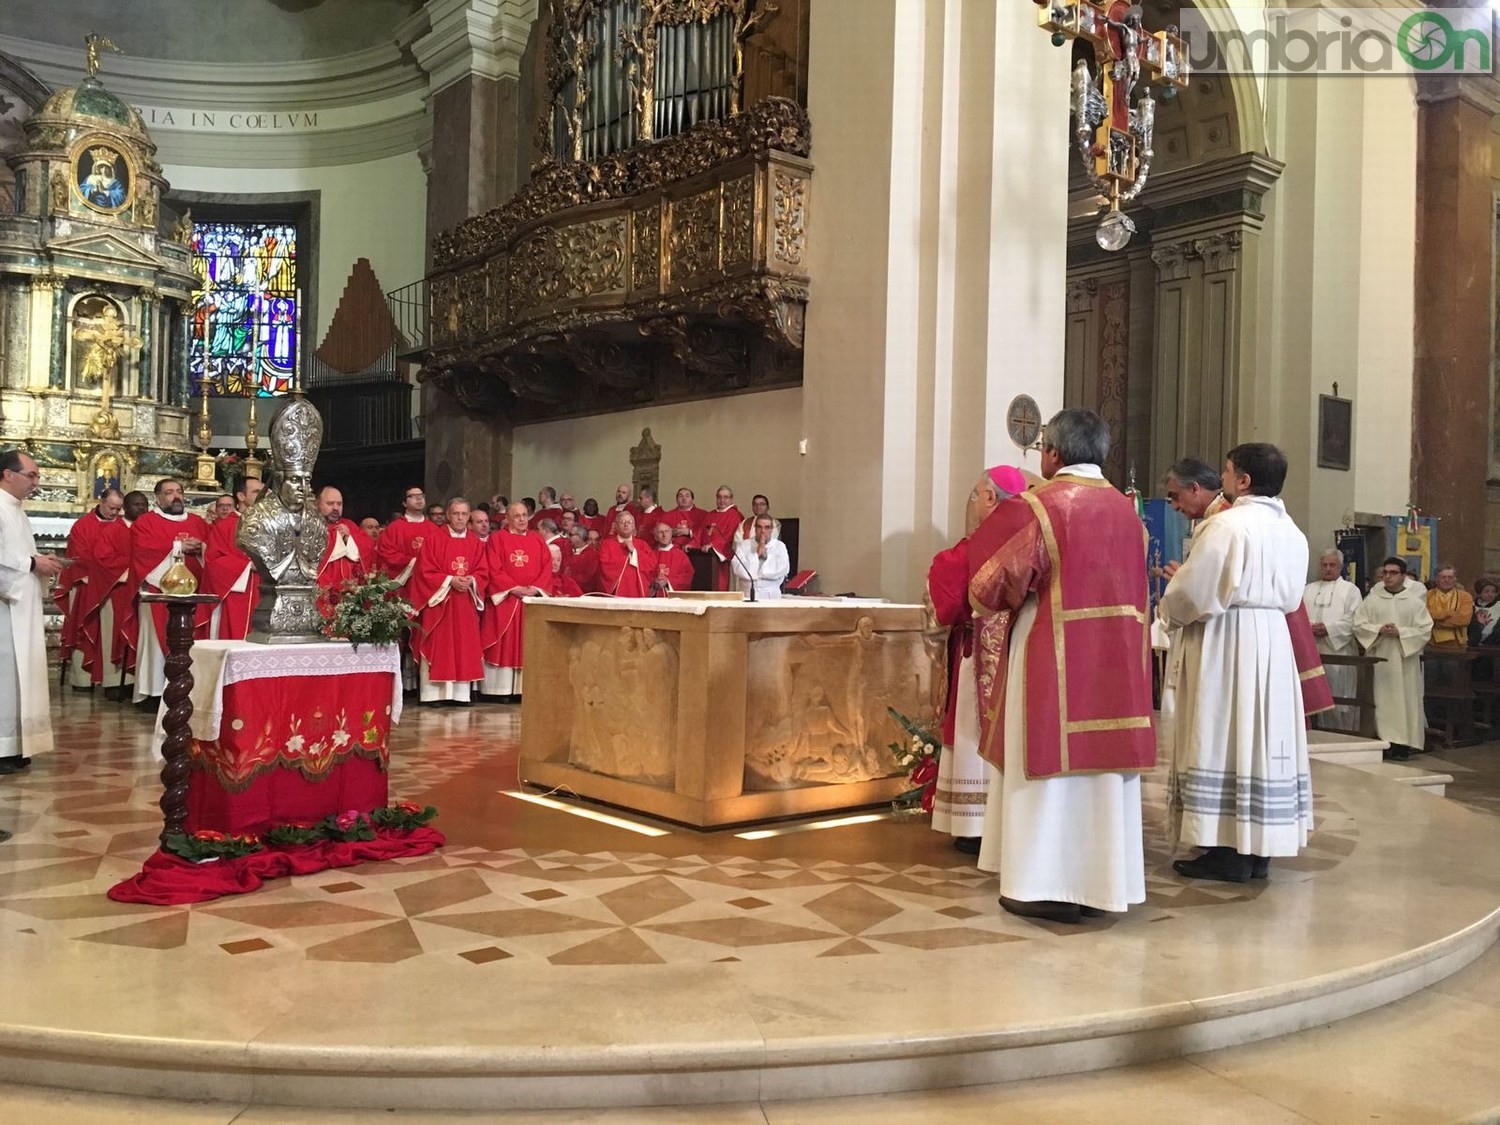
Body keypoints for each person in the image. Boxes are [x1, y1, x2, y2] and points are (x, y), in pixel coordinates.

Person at [967, 410, 1154, 923]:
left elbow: (991, 586)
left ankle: (1041, 883)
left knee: (1046, 763)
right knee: (1101, 778)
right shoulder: (1127, 513)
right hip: (1116, 662)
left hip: (1051, 653)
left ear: (1053, 453)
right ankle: (1100, 883)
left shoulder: (1040, 507)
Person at [1161, 443, 1313, 884]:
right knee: (1260, 740)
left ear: (1243, 480)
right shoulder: (1293, 533)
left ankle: (1225, 850)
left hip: (1229, 641)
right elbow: (1291, 597)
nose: (1222, 480)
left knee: (1225, 734)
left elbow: (1194, 594)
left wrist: (1167, 610)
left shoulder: (1227, 527)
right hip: (1272, 641)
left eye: (1227, 472)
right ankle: (1258, 848)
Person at [927, 466, 1027, 854]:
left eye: (976, 496)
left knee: (972, 727)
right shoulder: (1030, 539)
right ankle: (1005, 820)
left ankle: (973, 822)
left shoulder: (978, 545)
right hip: (1016, 650)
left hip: (977, 654)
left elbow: (948, 595)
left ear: (990, 498)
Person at [0, 450, 64, 779]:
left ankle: (15, 744)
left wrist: (37, 560)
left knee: (20, 676)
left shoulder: (16, 510)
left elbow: (17, 554)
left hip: (20, 605)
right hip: (4, 610)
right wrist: (31, 564)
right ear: (8, 474)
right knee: (5, 677)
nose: (36, 483)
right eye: (32, 476)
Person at [130, 478, 210, 704]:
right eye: (169, 492)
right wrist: (178, 547)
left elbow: (213, 551)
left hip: (192, 592)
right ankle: (154, 693)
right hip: (158, 591)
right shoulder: (146, 522)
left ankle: (186, 690)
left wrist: (201, 548)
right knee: (156, 642)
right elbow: (142, 550)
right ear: (157, 497)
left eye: (179, 491)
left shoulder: (197, 522)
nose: (176, 496)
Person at [1352, 557, 1434, 761]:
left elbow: (1424, 630)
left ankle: (1403, 745)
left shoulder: (1414, 602)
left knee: (1404, 701)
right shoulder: (1372, 599)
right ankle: (1383, 742)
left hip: (1404, 660)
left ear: (1403, 576)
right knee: (1381, 701)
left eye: (1393, 573)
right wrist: (1378, 629)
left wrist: (1401, 632)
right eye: (1385, 573)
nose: (1388, 577)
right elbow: (1359, 624)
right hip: (1379, 660)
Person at [410, 498, 489, 705]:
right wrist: (450, 580)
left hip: (465, 603)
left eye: (464, 514)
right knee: (440, 645)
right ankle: (434, 695)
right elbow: (424, 571)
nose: (460, 518)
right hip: (441, 602)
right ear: (448, 515)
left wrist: (471, 580)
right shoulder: (434, 539)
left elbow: (483, 570)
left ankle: (460, 695)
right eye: (456, 514)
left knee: (464, 646)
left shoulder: (474, 541)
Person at [55, 488, 131, 690]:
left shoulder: (123, 527)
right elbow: (79, 556)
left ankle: (110, 679)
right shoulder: (82, 525)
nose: (115, 513)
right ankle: (82, 679)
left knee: (110, 630)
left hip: (112, 586)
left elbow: (128, 555)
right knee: (84, 626)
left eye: (118, 509)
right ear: (101, 502)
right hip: (85, 583)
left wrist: (111, 572)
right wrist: (105, 570)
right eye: (111, 508)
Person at [481, 502, 553, 702]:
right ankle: (500, 690)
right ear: (508, 518)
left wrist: (536, 588)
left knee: (527, 643)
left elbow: (547, 567)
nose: (522, 519)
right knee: (504, 642)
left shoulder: (537, 539)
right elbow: (493, 568)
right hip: (506, 598)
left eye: (525, 515)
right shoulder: (497, 539)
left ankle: (523, 690)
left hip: (530, 600)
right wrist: (513, 588)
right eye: (517, 516)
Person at [1303, 548, 1363, 731]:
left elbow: (1354, 618)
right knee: (1314, 695)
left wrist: (1328, 629)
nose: (1328, 569)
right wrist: (1310, 627)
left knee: (1339, 694)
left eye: (1332, 565)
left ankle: (1342, 733)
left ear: (1340, 566)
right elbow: (1300, 617)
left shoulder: (1350, 590)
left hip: (1339, 650)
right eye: (1324, 565)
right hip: (1312, 651)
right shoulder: (1308, 589)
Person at [202, 478, 265, 641]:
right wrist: (247, 566)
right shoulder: (225, 526)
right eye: (256, 492)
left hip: (264, 592)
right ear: (240, 496)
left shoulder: (269, 524)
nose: (262, 495)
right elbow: (213, 561)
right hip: (235, 594)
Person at [315, 486, 369, 592]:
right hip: (325, 585)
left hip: (352, 588)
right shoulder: (311, 525)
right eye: (330, 503)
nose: (335, 508)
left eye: (339, 504)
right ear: (317, 504)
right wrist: (335, 537)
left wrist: (349, 539)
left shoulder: (350, 525)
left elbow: (368, 547)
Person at [377, 486, 431, 589]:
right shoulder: (394, 528)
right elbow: (386, 553)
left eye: (421, 496)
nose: (419, 499)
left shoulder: (434, 529)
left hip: (427, 584)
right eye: (413, 496)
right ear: (404, 503)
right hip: (404, 585)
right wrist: (413, 562)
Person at [697, 485, 744, 592]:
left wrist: (713, 545)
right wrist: (693, 544)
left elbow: (731, 537)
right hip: (706, 560)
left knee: (720, 587)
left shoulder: (735, 515)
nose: (722, 500)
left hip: (721, 562)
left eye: (726, 497)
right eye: (719, 497)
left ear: (731, 499)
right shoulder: (710, 515)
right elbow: (700, 532)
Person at [732, 515, 789, 600]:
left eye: (767, 527)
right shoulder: (744, 545)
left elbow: (782, 570)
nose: (763, 531)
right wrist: (756, 555)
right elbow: (738, 568)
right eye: (759, 527)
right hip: (747, 593)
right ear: (755, 528)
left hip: (770, 594)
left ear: (771, 529)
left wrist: (766, 557)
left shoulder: (779, 546)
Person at [600, 511, 655, 596]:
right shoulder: (607, 544)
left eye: (629, 522)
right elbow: (604, 564)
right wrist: (627, 558)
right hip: (617, 592)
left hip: (637, 591)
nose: (626, 525)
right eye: (622, 522)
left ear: (633, 526)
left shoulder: (642, 544)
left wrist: (634, 551)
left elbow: (651, 563)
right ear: (616, 526)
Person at [1425, 565, 1473, 647]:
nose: (1446, 580)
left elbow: (1464, 620)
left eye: (1450, 577)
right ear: (1436, 579)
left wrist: (1435, 622)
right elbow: (1423, 617)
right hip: (1430, 643)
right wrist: (1447, 614)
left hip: (1457, 645)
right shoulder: (1427, 595)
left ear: (1455, 580)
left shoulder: (1465, 596)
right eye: (1443, 577)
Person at [649, 521, 693, 595]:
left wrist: (668, 582)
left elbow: (687, 575)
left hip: (674, 597)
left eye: (666, 531)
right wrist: (654, 582)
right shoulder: (650, 555)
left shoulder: (680, 555)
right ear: (656, 537)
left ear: (671, 534)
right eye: (660, 532)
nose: (664, 535)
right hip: (655, 597)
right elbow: (645, 574)